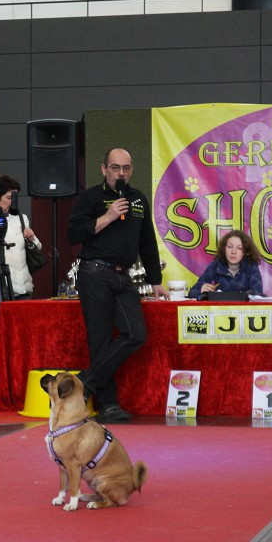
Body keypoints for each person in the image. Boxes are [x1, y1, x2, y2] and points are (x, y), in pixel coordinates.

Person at [67, 148, 168, 422]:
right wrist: (108, 216)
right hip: (95, 273)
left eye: (125, 168)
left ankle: (85, 382)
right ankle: (109, 404)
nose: (120, 173)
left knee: (136, 334)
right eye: (115, 167)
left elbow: (147, 241)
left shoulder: (138, 199)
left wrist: (155, 281)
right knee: (99, 340)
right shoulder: (90, 198)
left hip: (125, 277)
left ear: (131, 170)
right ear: (104, 169)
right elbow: (73, 234)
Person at [0, 175, 42, 322]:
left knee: (25, 333)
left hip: (24, 288)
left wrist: (32, 238)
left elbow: (36, 248)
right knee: (4, 334)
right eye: (9, 198)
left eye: (16, 198)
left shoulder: (22, 218)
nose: (13, 202)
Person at [187, 230, 263, 299]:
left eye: (239, 248)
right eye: (230, 247)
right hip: (220, 311)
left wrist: (227, 296)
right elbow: (192, 292)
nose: (233, 252)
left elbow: (258, 292)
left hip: (244, 311)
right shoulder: (216, 265)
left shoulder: (251, 265)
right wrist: (201, 291)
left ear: (246, 252)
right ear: (224, 249)